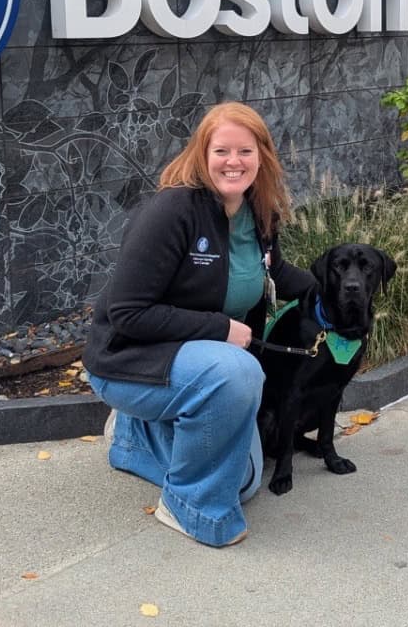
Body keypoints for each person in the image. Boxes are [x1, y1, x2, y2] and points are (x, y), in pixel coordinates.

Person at [84, 102, 316, 547]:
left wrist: (332, 292)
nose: (234, 162)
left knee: (245, 481)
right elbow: (129, 314)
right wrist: (220, 329)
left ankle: (134, 437)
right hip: (129, 361)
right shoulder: (171, 212)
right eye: (222, 151)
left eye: (245, 151)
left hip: (203, 364)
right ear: (202, 154)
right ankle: (189, 507)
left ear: (262, 155)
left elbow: (273, 273)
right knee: (238, 372)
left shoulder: (259, 212)